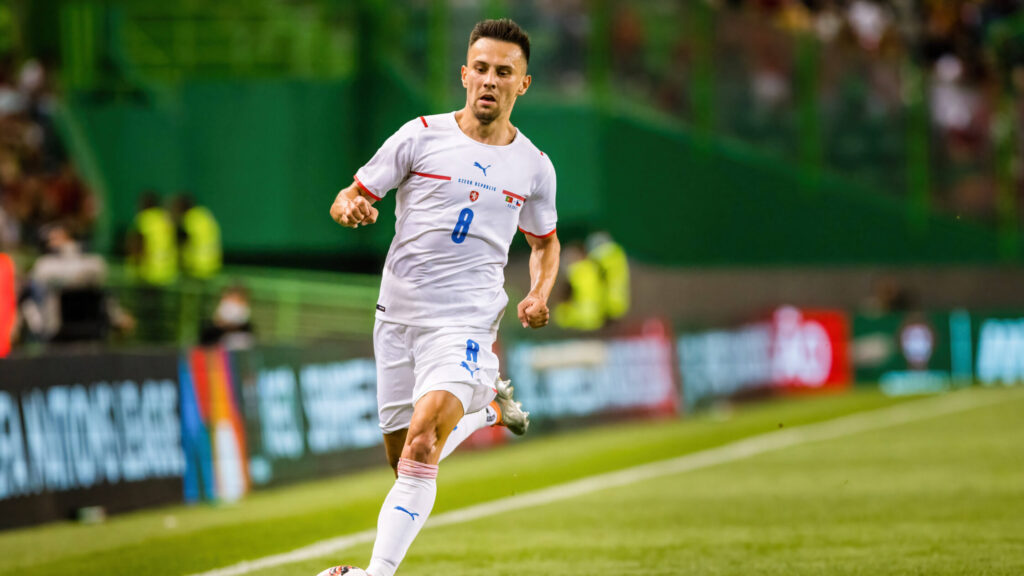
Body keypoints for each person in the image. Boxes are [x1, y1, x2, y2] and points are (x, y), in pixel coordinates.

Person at [319, 19, 560, 576]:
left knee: (424, 444)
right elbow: (348, 196)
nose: (489, 81)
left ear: (523, 84)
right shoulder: (418, 136)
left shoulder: (534, 166)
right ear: (464, 74)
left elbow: (545, 244)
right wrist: (350, 207)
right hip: (397, 318)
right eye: (480, 69)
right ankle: (490, 409)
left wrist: (539, 292)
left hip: (466, 323)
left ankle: (373, 575)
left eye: (504, 72)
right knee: (405, 460)